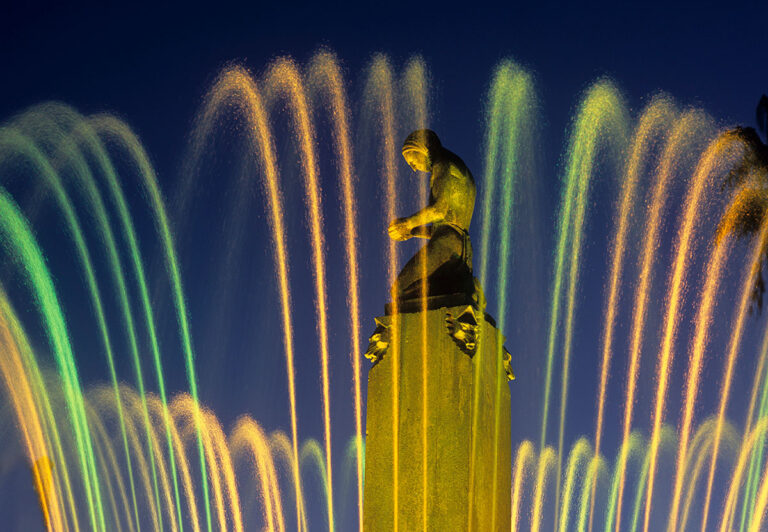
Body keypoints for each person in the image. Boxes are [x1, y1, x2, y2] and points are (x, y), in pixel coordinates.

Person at [388, 129, 476, 302]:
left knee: (400, 290)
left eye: (413, 160)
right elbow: (443, 226)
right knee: (434, 293)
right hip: (458, 246)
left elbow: (439, 210)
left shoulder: (442, 164)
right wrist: (413, 232)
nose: (414, 168)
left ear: (425, 147)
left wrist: (408, 223)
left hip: (448, 245)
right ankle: (464, 286)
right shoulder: (456, 165)